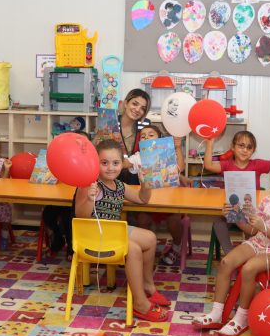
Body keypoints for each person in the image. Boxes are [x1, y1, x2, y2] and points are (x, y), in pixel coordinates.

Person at [193, 152, 270, 336]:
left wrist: (264, 228)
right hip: (257, 242)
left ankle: (242, 317)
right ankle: (216, 313)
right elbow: (252, 231)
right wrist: (235, 215)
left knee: (248, 270)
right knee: (225, 262)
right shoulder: (269, 200)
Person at [75, 139, 169, 322]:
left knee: (150, 238)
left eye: (116, 163)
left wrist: (145, 183)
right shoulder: (89, 184)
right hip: (92, 237)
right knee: (133, 248)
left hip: (113, 233)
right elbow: (81, 216)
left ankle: (148, 285)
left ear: (122, 164)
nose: (111, 168)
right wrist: (89, 198)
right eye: (105, 163)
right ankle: (140, 303)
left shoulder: (119, 186)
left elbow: (143, 200)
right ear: (96, 163)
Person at [123, 125, 187, 265]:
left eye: (151, 135)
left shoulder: (167, 152)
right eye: (143, 136)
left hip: (170, 200)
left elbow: (180, 168)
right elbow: (124, 163)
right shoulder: (139, 156)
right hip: (148, 200)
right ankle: (142, 248)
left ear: (160, 139)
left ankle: (176, 246)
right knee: (142, 220)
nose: (146, 138)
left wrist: (177, 148)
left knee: (173, 221)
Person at [204, 131, 270, 255]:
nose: (245, 150)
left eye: (249, 147)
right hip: (230, 210)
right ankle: (230, 256)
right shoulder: (227, 165)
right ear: (233, 147)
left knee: (252, 226)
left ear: (253, 150)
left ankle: (248, 253)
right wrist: (210, 144)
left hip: (250, 213)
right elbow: (208, 165)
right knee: (218, 225)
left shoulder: (257, 164)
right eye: (241, 145)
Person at [42, 130, 90, 257]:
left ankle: (71, 247)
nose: (80, 146)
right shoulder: (65, 158)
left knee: (68, 218)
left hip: (79, 201)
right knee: (47, 214)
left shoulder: (90, 162)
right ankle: (58, 239)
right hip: (61, 197)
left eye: (83, 143)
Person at [117, 89, 151, 186]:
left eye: (142, 108)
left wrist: (179, 176)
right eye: (135, 104)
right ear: (126, 103)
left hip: (137, 183)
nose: (137, 110)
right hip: (111, 180)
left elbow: (153, 155)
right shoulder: (110, 122)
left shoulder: (146, 126)